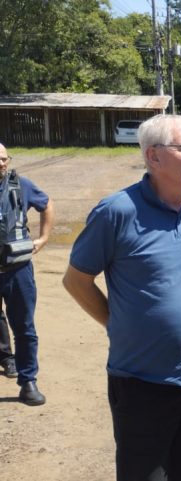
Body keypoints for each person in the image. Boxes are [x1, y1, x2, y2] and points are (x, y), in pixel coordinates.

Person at [62, 114, 181, 481]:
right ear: (153, 156)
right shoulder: (116, 212)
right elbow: (76, 281)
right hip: (142, 380)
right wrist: (116, 323)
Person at [0, 142, 54, 405]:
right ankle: (6, 358)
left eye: (4, 158)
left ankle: (28, 381)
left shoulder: (22, 185)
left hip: (18, 270)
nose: (2, 163)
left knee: (24, 327)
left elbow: (47, 205)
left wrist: (43, 238)